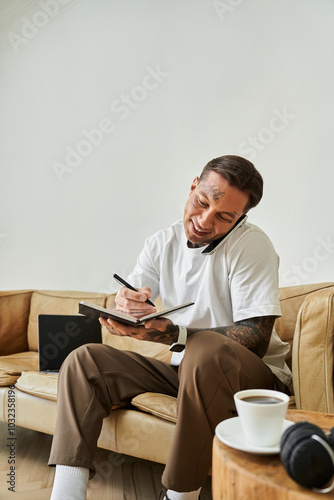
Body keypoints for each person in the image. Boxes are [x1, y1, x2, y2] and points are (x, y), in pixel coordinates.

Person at [49, 155, 291, 500]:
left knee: (203, 348)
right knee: (84, 360)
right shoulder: (162, 243)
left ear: (242, 218)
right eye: (202, 202)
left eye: (224, 217)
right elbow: (135, 296)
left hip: (253, 379)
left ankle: (179, 495)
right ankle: (66, 494)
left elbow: (255, 338)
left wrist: (174, 334)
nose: (205, 221)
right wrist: (129, 305)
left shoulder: (252, 245)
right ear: (193, 186)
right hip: (189, 373)